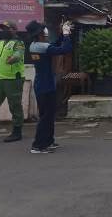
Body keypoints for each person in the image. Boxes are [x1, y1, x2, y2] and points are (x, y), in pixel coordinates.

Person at [26, 20, 73, 154]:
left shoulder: (35, 46)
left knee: (49, 115)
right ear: (40, 33)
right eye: (43, 30)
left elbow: (54, 45)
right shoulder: (42, 47)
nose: (45, 32)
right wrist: (66, 34)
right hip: (45, 86)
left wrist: (61, 35)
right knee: (45, 116)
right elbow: (65, 49)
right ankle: (38, 145)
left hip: (43, 84)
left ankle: (48, 141)